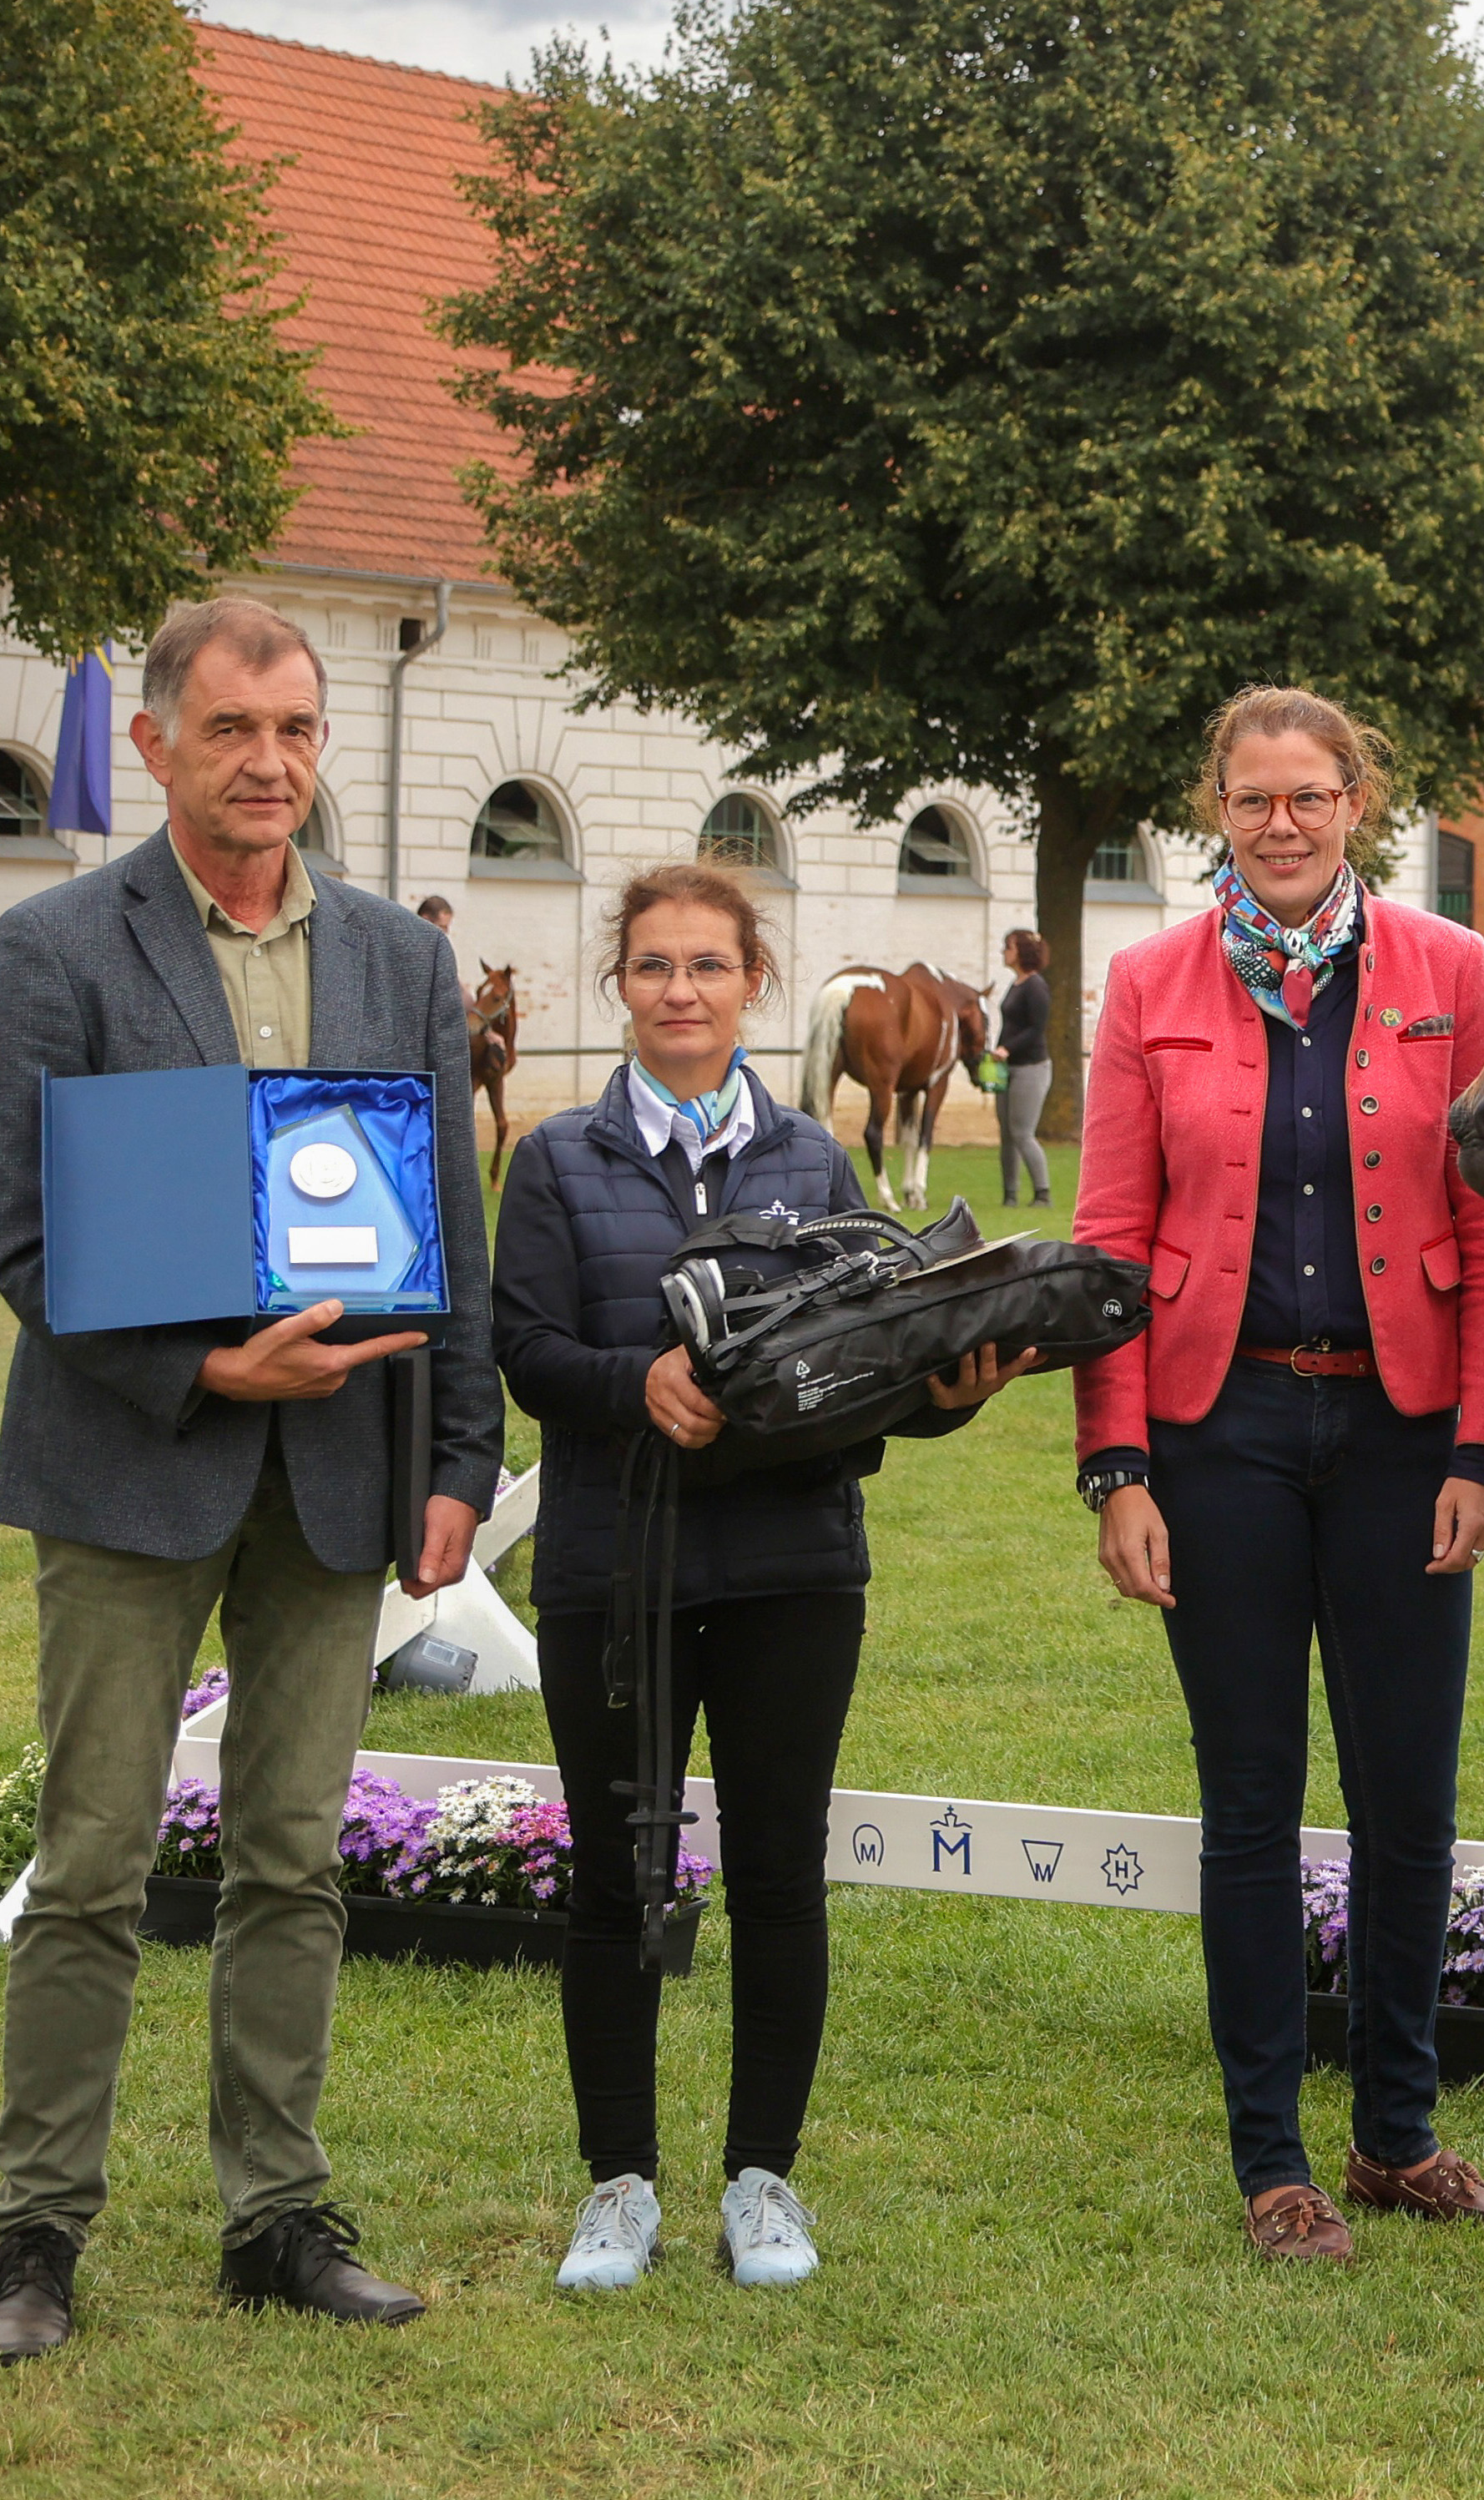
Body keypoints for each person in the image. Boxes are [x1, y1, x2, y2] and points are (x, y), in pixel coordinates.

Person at [0, 598, 498, 2361]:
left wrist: (460, 1455)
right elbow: (26, 1235)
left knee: (294, 1857)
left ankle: (275, 2218)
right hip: (135, 1465)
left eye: (295, 729)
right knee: (93, 1861)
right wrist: (205, 1363)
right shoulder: (51, 950)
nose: (271, 762)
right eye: (232, 730)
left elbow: (450, 1229)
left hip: (343, 1476)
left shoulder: (401, 961)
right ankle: (32, 2233)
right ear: (156, 747)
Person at [490, 861, 1032, 2294]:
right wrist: (636, 1379)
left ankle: (760, 2183)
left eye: (708, 966)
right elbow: (527, 1348)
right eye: (656, 965)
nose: (681, 989)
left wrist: (955, 1387)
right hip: (616, 1573)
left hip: (795, 1568)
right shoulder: (553, 1160)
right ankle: (619, 2187)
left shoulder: (811, 1162)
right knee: (615, 1883)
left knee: (781, 1877)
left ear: (753, 984)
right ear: (624, 983)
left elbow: (862, 1367)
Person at [1077, 687, 1484, 2265]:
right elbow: (1108, 1247)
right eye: (1254, 798)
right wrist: (1114, 1464)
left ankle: (1399, 2138)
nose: (1283, 823)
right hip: (1221, 1437)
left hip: (1406, 1434)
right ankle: (1275, 2161)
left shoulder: (1449, 970)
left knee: (1410, 1803)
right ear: (1218, 808)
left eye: (1312, 796)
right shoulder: (1148, 981)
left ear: (1360, 804)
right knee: (1252, 1805)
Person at [994, 928, 1052, 1208]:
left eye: (1008, 947)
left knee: (1022, 1132)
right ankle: (1010, 1194)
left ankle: (1042, 1193)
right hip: (1009, 1068)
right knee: (1006, 1133)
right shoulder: (1016, 984)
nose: (1004, 951)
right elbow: (1010, 1025)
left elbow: (1037, 1028)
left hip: (1031, 1067)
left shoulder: (1035, 985)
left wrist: (1008, 1048)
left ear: (1022, 952)